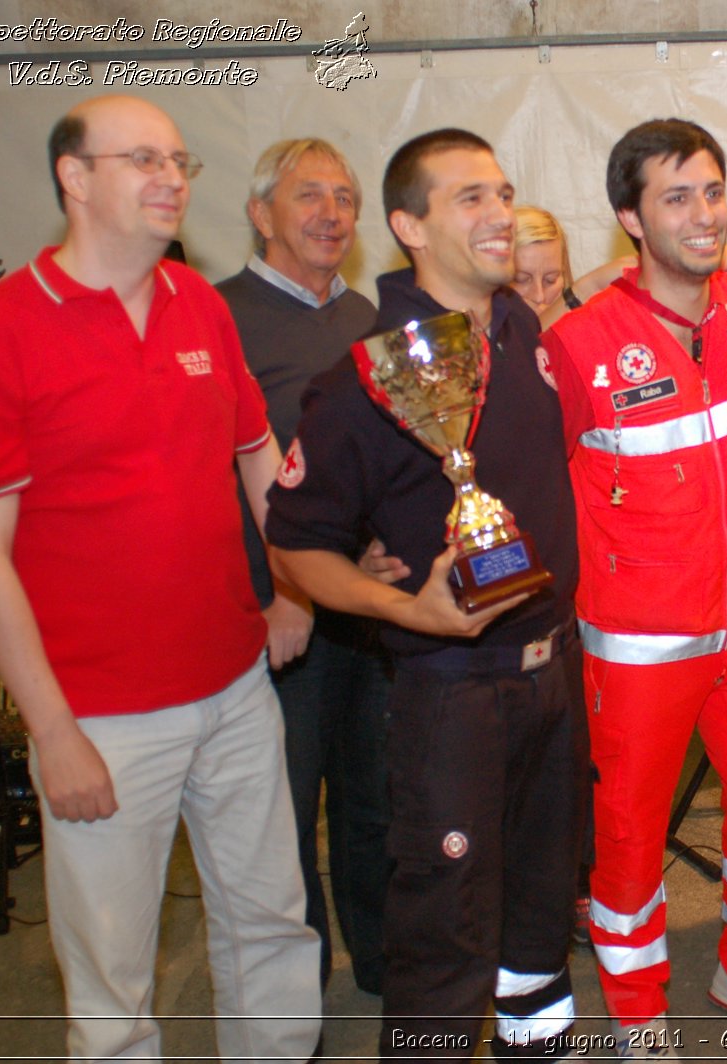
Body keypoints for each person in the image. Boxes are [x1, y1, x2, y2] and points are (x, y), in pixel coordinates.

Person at [0, 95, 320, 1060]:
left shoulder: (198, 301)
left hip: (236, 686)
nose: (172, 178)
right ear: (73, 177)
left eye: (180, 160)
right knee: (113, 979)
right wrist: (55, 733)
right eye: (142, 159)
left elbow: (257, 457)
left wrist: (301, 580)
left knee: (274, 927)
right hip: (101, 718)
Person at [267, 128, 585, 1060]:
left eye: (503, 193)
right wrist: (409, 610)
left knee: (537, 905)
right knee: (445, 924)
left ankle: (538, 1044)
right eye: (469, 200)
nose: (499, 216)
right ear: (407, 225)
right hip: (451, 691)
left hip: (551, 673)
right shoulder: (367, 377)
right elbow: (294, 546)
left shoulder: (518, 325)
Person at [541, 118, 727, 1055]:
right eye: (675, 197)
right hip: (639, 644)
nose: (703, 215)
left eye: (712, 191)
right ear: (629, 217)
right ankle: (637, 1014)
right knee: (626, 834)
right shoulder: (576, 343)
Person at [216, 136, 397, 997]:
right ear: (261, 215)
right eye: (309, 196)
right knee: (281, 816)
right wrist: (287, 586)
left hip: (372, 611)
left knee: (376, 799)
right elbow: (215, 477)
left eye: (346, 198)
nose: (332, 213)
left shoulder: (366, 318)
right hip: (280, 618)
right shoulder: (220, 319)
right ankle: (295, 1000)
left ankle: (382, 962)